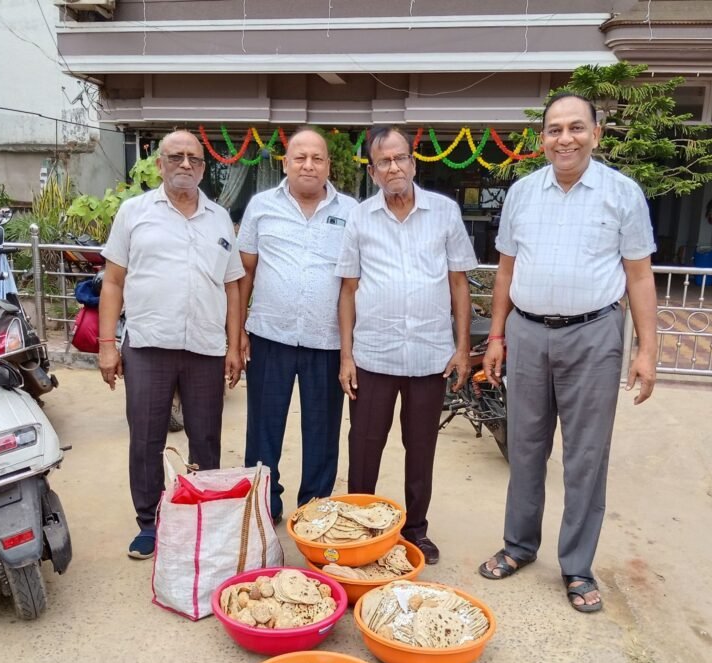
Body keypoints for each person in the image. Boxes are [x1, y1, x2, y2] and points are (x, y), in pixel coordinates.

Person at [477, 93, 658, 613]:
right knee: (526, 446)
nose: (565, 138)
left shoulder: (622, 195)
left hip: (595, 334)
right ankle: (518, 547)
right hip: (529, 334)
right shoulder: (522, 194)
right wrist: (497, 336)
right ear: (542, 140)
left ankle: (577, 567)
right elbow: (507, 270)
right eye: (555, 129)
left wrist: (647, 350)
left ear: (596, 134)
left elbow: (639, 277)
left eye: (576, 128)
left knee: (585, 456)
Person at [98, 129, 244, 559]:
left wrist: (234, 345)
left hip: (204, 348)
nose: (185, 164)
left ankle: (202, 516)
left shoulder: (219, 217)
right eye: (175, 156)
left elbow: (233, 285)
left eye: (194, 159)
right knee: (146, 438)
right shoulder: (134, 212)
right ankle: (151, 522)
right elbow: (113, 281)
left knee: (206, 438)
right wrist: (108, 345)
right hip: (147, 344)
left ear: (204, 168)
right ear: (158, 163)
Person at [336, 125, 478, 565]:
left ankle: (415, 530)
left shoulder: (445, 212)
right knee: (364, 447)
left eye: (400, 158)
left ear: (413, 163)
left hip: (429, 356)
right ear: (374, 171)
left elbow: (459, 284)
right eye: (383, 161)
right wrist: (346, 355)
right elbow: (347, 289)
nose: (393, 167)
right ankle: (359, 527)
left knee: (421, 449)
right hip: (373, 355)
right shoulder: (360, 217)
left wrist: (461, 349)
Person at [237, 128, 358, 523]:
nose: (309, 165)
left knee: (322, 433)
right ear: (285, 163)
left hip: (326, 342)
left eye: (317, 158)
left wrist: (348, 351)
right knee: (263, 429)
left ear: (328, 165)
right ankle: (263, 505)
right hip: (269, 336)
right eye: (300, 157)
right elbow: (245, 274)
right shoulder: (260, 207)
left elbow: (353, 284)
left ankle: (313, 509)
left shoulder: (352, 212)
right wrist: (236, 332)